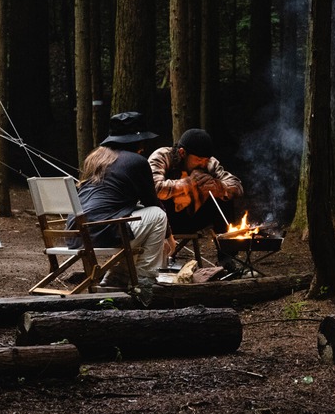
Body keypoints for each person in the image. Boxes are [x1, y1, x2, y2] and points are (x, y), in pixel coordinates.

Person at [72, 112, 173, 301]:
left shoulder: (95, 157)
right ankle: (144, 282)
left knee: (138, 222)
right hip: (103, 232)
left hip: (78, 232)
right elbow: (153, 202)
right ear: (137, 141)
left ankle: (117, 278)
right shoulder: (136, 161)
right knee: (158, 215)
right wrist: (170, 236)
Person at [148, 128, 243, 235]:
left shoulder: (209, 163)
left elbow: (237, 185)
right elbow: (154, 188)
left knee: (224, 197)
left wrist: (218, 187)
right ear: (182, 153)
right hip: (165, 220)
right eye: (198, 160)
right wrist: (188, 183)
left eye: (205, 160)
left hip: (192, 218)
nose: (203, 164)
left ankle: (227, 248)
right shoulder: (162, 156)